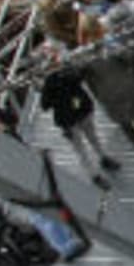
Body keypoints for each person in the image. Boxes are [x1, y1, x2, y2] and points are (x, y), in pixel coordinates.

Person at [73, 15, 134, 162]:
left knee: (125, 124)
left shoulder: (79, 56)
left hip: (107, 94)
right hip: (127, 86)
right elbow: (129, 58)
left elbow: (78, 75)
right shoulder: (111, 44)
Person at [37, 59, 118, 187]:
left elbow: (45, 105)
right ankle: (102, 161)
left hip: (69, 118)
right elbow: (81, 75)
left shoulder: (50, 83)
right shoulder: (70, 73)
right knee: (91, 140)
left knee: (81, 149)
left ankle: (95, 173)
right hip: (81, 111)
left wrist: (47, 93)